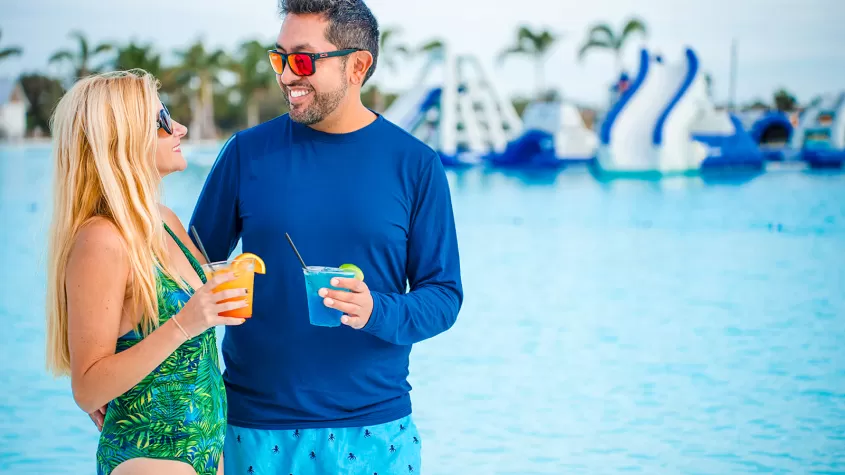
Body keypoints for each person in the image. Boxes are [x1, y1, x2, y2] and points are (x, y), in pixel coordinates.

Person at [188, 0, 463, 473]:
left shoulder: (416, 166)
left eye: (302, 59)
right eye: (279, 58)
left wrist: (376, 309)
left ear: (357, 66)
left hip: (377, 433)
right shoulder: (245, 154)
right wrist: (130, 383)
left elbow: (443, 297)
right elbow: (178, 277)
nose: (286, 76)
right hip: (252, 428)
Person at [44, 70, 249, 475]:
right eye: (162, 120)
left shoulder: (166, 221)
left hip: (206, 449)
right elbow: (87, 389)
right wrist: (185, 323)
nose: (180, 128)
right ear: (122, 139)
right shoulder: (102, 239)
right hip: (152, 456)